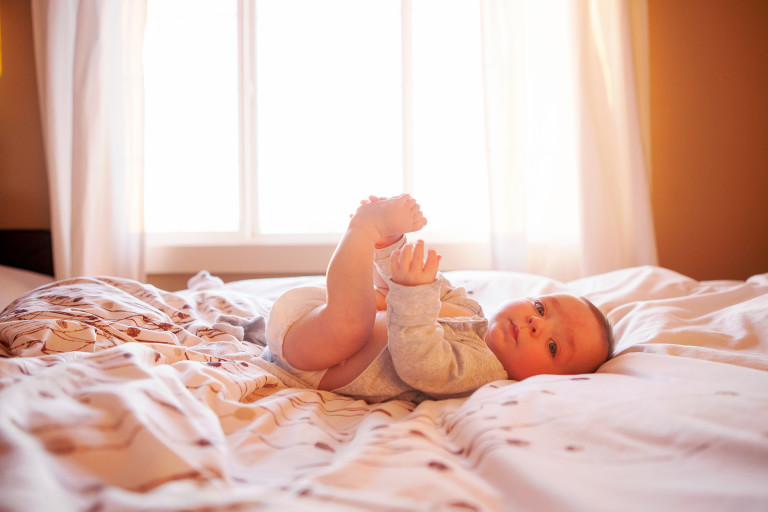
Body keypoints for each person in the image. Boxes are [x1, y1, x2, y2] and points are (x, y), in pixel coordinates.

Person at [261, 194, 614, 402]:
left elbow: (419, 361)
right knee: (377, 298)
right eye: (540, 308)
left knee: (356, 321)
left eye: (553, 346)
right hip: (316, 326)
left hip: (318, 365)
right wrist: (393, 250)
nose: (536, 324)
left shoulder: (483, 371)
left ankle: (364, 229)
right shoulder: (471, 310)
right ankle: (376, 238)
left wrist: (411, 293)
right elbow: (422, 281)